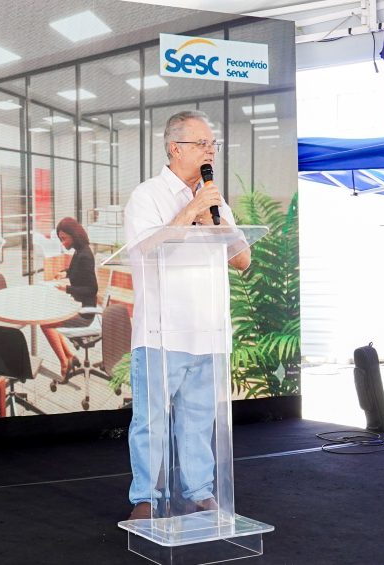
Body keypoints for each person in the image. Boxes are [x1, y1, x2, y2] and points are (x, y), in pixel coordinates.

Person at [123, 110, 250, 521]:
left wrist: (215, 219)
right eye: (202, 143)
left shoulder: (215, 200)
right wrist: (190, 210)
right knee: (151, 423)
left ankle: (199, 493)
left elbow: (243, 260)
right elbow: (147, 249)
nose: (210, 151)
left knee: (198, 421)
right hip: (161, 332)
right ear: (175, 148)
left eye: (213, 144)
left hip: (207, 330)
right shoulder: (147, 195)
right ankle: (146, 498)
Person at [40, 218, 98, 379]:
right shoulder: (80, 251)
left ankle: (64, 363)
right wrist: (64, 273)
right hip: (77, 305)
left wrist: (66, 288)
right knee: (48, 317)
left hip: (85, 312)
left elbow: (92, 289)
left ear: (74, 235)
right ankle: (70, 357)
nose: (62, 243)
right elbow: (75, 270)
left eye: (64, 238)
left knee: (45, 324)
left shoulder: (85, 255)